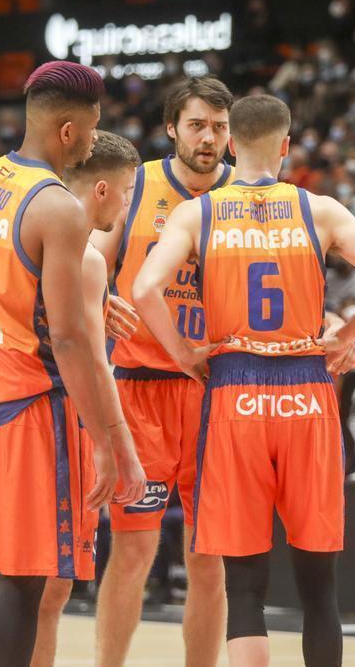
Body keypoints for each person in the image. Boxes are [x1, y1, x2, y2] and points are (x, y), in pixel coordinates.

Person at [134, 94, 355, 667]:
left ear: (232, 145)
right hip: (306, 390)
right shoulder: (321, 210)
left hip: (234, 388)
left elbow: (143, 290)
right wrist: (351, 334)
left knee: (244, 589)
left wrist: (186, 353)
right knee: (320, 591)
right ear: (287, 146)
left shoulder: (199, 212)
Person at [0, 61, 145, 667]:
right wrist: (105, 440)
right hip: (24, 408)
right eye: (95, 127)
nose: (97, 139)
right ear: (69, 131)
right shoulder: (58, 208)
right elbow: (73, 343)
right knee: (24, 581)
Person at [84, 76, 234, 667]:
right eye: (197, 125)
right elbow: (93, 254)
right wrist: (95, 296)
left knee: (209, 556)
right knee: (134, 549)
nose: (209, 138)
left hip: (215, 393)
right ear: (172, 128)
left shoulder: (247, 194)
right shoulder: (139, 182)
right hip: (140, 391)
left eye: (219, 127)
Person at [32, 130, 142, 667]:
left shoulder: (26, 223)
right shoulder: (85, 256)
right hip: (57, 418)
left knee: (7, 586)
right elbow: (92, 362)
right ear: (101, 189)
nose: (126, 206)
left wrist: (99, 304)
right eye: (124, 194)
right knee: (48, 588)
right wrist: (119, 448)